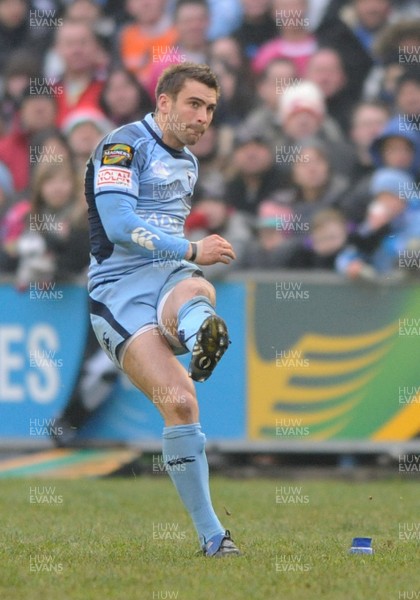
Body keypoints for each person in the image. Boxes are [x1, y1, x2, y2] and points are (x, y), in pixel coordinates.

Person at [84, 62, 240, 557]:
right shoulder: (122, 145)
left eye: (211, 109)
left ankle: (201, 337)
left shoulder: (189, 161)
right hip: (118, 291)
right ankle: (211, 534)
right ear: (164, 101)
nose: (203, 117)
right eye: (194, 104)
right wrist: (192, 249)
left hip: (169, 277)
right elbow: (117, 222)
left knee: (196, 295)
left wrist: (187, 259)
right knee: (179, 404)